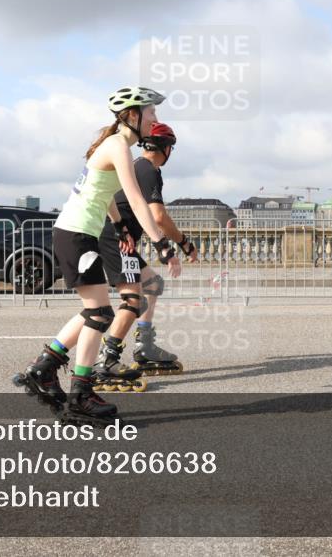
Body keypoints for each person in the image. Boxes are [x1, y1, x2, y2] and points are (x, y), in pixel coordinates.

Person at [12, 86, 181, 425]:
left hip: (77, 233)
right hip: (76, 234)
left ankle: (44, 369)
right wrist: (162, 242)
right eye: (151, 114)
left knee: (96, 312)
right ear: (132, 115)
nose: (155, 120)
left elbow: (105, 196)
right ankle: (79, 396)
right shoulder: (117, 146)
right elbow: (134, 198)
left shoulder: (115, 144)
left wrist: (119, 229)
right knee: (100, 314)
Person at [91, 121, 198, 391]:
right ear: (166, 148)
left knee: (153, 285)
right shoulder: (149, 170)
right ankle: (107, 359)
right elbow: (158, 216)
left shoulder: (138, 165)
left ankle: (144, 346)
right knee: (133, 299)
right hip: (116, 240)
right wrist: (181, 244)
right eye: (171, 147)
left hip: (115, 238)